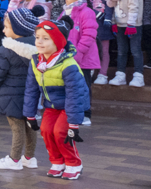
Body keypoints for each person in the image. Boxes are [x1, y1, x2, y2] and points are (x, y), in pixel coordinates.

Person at [26, 20, 90, 181]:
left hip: (70, 105)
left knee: (61, 132)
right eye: (38, 37)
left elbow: (75, 95)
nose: (39, 41)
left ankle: (73, 163)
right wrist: (30, 114)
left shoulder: (68, 65)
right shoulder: (36, 62)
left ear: (58, 42)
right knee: (46, 130)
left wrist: (74, 123)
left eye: (46, 38)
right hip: (51, 105)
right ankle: (57, 162)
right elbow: (31, 89)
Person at [0, 8, 41, 171]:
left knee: (17, 127)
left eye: (7, 27)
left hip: (10, 96)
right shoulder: (39, 47)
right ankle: (29, 158)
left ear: (18, 29)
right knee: (30, 125)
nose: (3, 30)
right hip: (31, 95)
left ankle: (14, 159)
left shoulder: (7, 49)